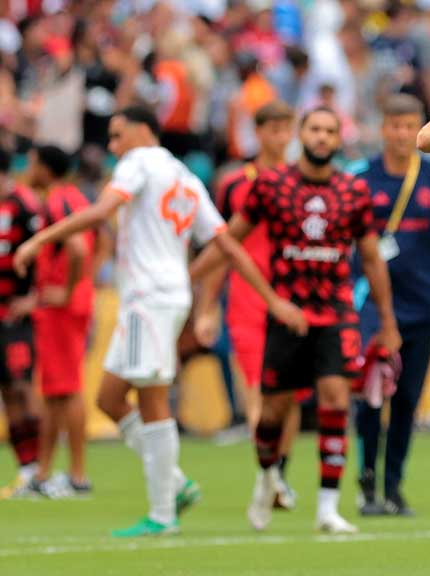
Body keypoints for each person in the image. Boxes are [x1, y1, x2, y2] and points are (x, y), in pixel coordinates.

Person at [12, 105, 307, 537]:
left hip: (148, 299)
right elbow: (226, 243)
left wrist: (39, 240)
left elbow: (101, 213)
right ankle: (174, 482)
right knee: (109, 398)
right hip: (162, 296)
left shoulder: (138, 163)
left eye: (118, 135)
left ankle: (163, 513)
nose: (113, 146)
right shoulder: (185, 176)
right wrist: (269, 297)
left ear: (142, 131)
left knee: (151, 399)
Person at [192, 106, 401, 535]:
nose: (322, 137)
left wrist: (387, 320)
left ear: (338, 140)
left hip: (337, 312)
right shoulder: (271, 185)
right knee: (272, 413)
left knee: (335, 400)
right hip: (287, 314)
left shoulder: (353, 190)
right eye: (315, 129)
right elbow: (229, 241)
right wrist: (192, 280)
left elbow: (371, 258)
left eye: (330, 131)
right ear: (301, 136)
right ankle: (267, 476)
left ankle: (327, 508)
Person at [348, 93, 430, 517]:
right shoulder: (360, 179)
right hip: (369, 307)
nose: (401, 134)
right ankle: (367, 482)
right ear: (383, 128)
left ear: (419, 129)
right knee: (370, 397)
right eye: (394, 126)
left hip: (422, 307)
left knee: (406, 402)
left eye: (409, 126)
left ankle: (394, 486)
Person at [205, 100, 301, 510]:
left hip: (293, 297)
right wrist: (206, 305)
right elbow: (222, 247)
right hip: (246, 298)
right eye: (273, 130)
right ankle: (269, 475)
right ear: (258, 133)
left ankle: (280, 473)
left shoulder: (303, 180)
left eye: (285, 130)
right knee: (257, 391)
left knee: (290, 395)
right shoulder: (234, 184)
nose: (280, 138)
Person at [25, 145, 94, 497]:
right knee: (54, 390)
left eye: (32, 163)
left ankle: (78, 475)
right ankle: (43, 473)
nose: (28, 169)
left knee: (68, 388)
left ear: (45, 168)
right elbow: (101, 242)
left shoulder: (58, 202)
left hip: (62, 307)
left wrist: (67, 291)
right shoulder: (75, 198)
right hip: (64, 304)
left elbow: (78, 247)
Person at [0, 148, 42, 500]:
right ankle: (27, 469)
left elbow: (46, 253)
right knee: (7, 392)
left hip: (16, 317)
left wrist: (34, 297)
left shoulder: (24, 206)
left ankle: (42, 469)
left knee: (23, 388)